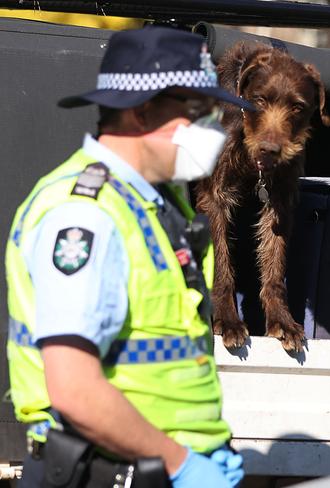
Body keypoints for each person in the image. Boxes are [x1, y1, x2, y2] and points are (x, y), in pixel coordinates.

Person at [5, 26, 254, 487]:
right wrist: (183, 465)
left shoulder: (159, 205)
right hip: (116, 474)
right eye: (196, 112)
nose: (212, 128)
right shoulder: (85, 215)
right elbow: (75, 388)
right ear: (141, 113)